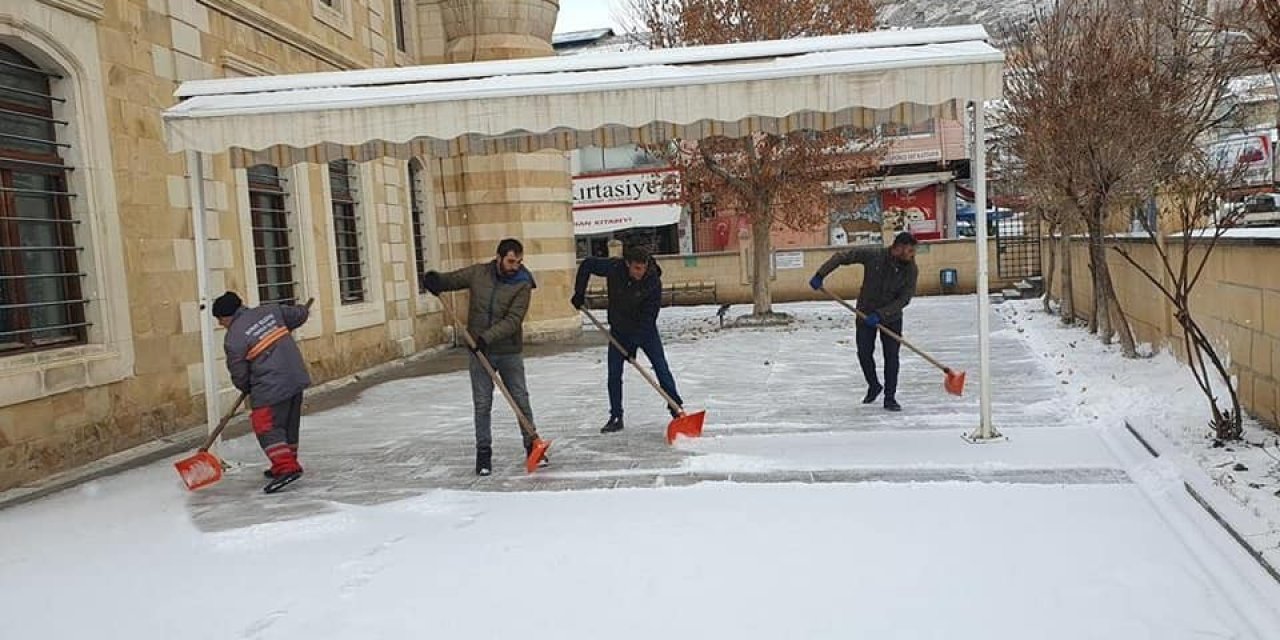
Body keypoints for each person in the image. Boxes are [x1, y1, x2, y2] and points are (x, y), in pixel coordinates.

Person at [421, 238, 544, 476]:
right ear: (498, 258)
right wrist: (435, 280)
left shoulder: (523, 283)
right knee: (482, 403)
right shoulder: (479, 273)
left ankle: (532, 446)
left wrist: (486, 338)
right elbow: (453, 279)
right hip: (478, 352)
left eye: (519, 261)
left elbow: (513, 320)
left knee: (520, 398)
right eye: (510, 261)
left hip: (508, 351)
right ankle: (484, 454)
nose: (515, 266)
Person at [571, 245, 685, 433]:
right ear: (627, 265)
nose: (640, 272)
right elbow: (587, 265)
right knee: (614, 375)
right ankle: (616, 416)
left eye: (643, 267)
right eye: (636, 268)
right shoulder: (615, 268)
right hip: (619, 330)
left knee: (661, 368)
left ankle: (677, 409)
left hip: (646, 332)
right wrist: (579, 293)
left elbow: (649, 318)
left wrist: (633, 345)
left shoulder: (653, 282)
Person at [809, 231, 919, 412]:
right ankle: (874, 385)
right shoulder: (874, 255)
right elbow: (842, 257)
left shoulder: (911, 269)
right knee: (864, 354)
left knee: (891, 357)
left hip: (891, 318)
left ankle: (890, 398)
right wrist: (820, 274)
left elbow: (904, 299)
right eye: (909, 250)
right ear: (898, 248)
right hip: (864, 313)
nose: (912, 254)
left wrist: (881, 314)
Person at [213, 291, 311, 493]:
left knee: (265, 424)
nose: (220, 324)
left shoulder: (234, 338)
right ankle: (284, 461)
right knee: (286, 423)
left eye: (220, 320)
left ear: (226, 316)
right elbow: (299, 315)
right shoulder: (271, 311)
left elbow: (239, 373)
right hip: (295, 377)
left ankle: (286, 467)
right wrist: (302, 310)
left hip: (270, 384)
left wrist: (247, 388)